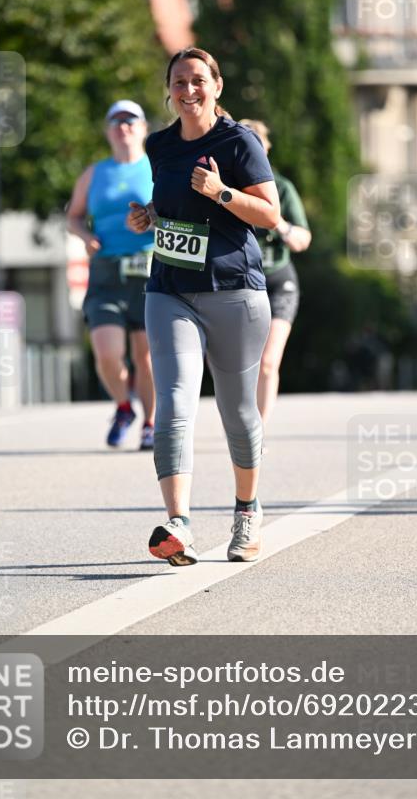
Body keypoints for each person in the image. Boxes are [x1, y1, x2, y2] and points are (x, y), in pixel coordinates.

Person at [127, 47, 280, 566]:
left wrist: (221, 192)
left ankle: (247, 513)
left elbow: (269, 214)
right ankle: (179, 524)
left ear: (216, 86)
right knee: (172, 403)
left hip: (234, 291)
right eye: (178, 82)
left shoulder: (239, 142)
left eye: (197, 81)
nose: (188, 91)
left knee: (237, 411)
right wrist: (149, 215)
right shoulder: (159, 145)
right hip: (169, 289)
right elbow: (171, 203)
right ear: (168, 89)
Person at [67, 100, 156, 449]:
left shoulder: (154, 168)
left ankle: (150, 423)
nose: (123, 128)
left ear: (143, 128)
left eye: (131, 121)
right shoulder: (94, 173)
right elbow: (73, 216)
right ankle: (123, 406)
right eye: (116, 122)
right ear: (107, 131)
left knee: (145, 357)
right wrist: (85, 236)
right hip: (105, 272)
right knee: (106, 353)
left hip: (148, 269)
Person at [240, 119, 311, 426]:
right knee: (240, 365)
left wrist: (277, 223)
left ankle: (258, 432)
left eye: (257, 142)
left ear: (266, 148)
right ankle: (240, 422)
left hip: (278, 283)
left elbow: (302, 240)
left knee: (268, 363)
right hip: (240, 285)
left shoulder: (282, 188)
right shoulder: (225, 189)